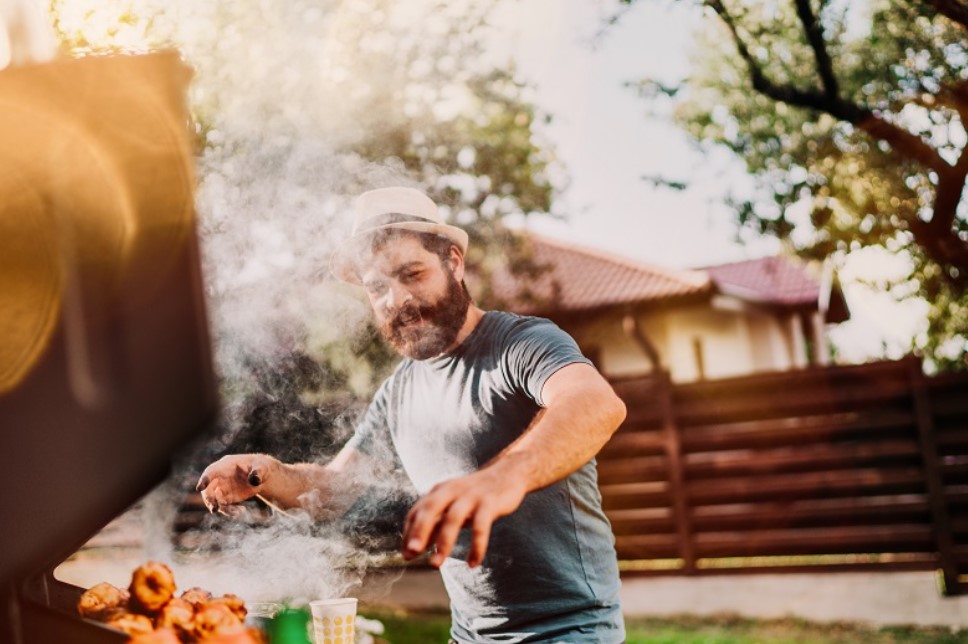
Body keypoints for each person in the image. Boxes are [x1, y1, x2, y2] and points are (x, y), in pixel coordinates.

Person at [196, 186, 628, 643]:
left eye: (412, 274)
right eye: (377, 287)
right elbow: (332, 492)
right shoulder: (398, 391)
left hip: (568, 632)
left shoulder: (521, 343)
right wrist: (263, 475)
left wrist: (503, 478)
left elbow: (595, 403)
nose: (396, 299)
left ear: (453, 263)